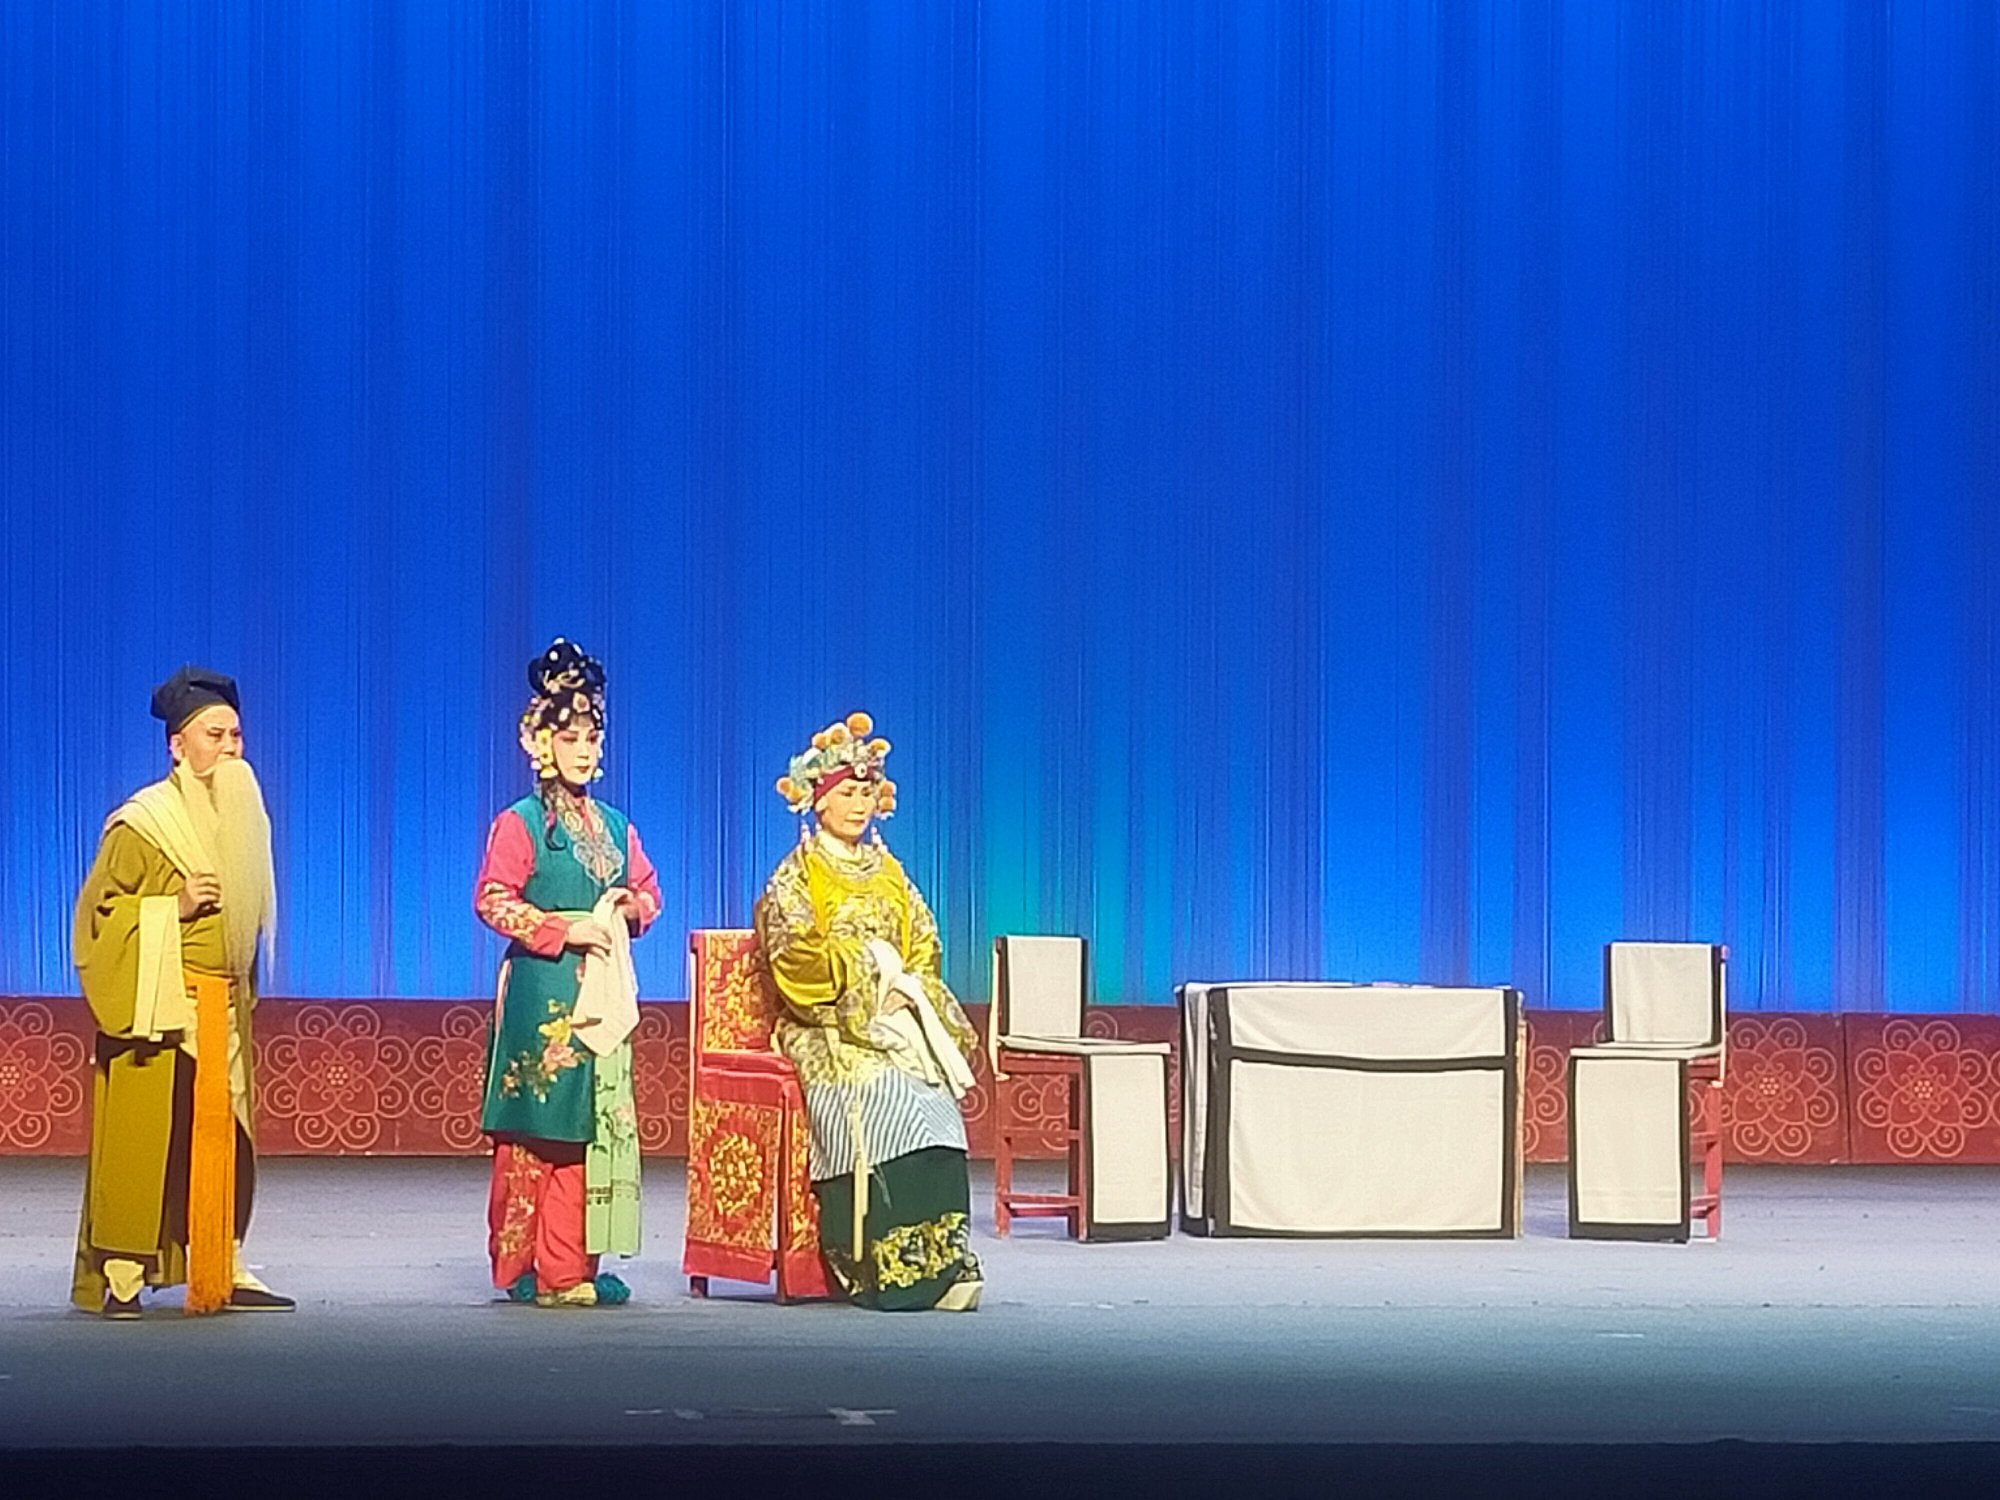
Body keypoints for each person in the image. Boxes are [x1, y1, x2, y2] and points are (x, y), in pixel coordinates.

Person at [70, 666, 289, 1318]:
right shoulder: (143, 824)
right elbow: (99, 920)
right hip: (158, 1006)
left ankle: (220, 1260)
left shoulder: (243, 819)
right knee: (145, 1139)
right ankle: (123, 1273)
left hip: (223, 1009)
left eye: (236, 735)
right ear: (177, 745)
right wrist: (175, 905)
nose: (230, 748)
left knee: (224, 1137)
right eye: (214, 735)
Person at [754, 714, 983, 1311]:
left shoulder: (891, 873)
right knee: (884, 1095)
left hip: (894, 1016)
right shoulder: (795, 877)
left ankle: (946, 1259)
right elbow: (793, 955)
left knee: (934, 1098)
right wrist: (866, 979)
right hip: (826, 1023)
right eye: (846, 793)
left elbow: (924, 942)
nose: (858, 805)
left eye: (866, 792)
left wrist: (907, 988)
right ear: (818, 800)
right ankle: (882, 1265)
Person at [476, 640, 660, 1307]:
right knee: (542, 1127)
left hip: (602, 986)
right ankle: (535, 1266)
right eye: (569, 737)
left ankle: (571, 1263)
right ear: (541, 744)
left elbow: (649, 891)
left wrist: (627, 909)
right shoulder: (520, 823)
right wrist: (563, 929)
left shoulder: (615, 826)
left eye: (591, 737)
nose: (583, 750)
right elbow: (492, 898)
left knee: (590, 1124)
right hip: (544, 990)